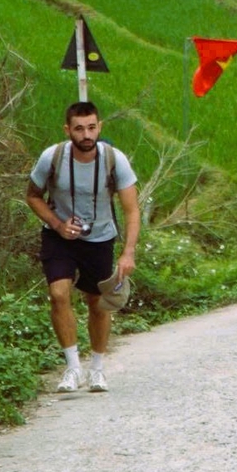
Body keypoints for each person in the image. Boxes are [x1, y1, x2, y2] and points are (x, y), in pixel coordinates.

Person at [24, 101, 140, 393]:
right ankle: (73, 368)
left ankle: (97, 370)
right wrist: (57, 223)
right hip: (59, 236)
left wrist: (128, 253)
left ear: (99, 127)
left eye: (91, 127)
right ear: (68, 130)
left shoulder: (115, 160)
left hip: (100, 238)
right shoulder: (53, 157)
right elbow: (33, 195)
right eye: (79, 129)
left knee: (97, 303)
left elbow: (131, 210)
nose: (86, 135)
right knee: (58, 294)